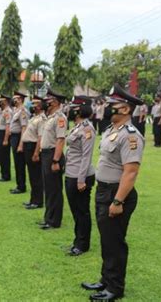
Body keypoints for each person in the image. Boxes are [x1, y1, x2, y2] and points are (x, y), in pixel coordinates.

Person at [82, 83, 144, 301]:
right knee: (107, 240)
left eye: (112, 105)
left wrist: (118, 202)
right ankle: (105, 280)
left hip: (117, 194)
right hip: (103, 191)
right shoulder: (111, 130)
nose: (106, 108)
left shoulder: (131, 136)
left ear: (126, 109)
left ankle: (115, 288)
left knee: (115, 242)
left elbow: (130, 173)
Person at [65, 96, 96, 256]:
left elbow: (86, 156)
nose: (69, 110)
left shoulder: (87, 129)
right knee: (75, 211)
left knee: (82, 211)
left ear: (79, 109)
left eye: (73, 107)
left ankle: (82, 244)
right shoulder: (77, 127)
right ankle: (77, 240)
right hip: (71, 173)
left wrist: (81, 179)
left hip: (80, 176)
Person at [38, 88, 67, 230]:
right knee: (48, 188)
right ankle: (48, 217)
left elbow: (60, 140)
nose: (46, 102)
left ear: (55, 102)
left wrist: (56, 161)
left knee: (54, 189)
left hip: (53, 155)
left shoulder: (60, 118)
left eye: (48, 100)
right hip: (46, 154)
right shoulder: (50, 117)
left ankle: (54, 221)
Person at [21, 95, 46, 209]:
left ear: (40, 106)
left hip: (33, 147)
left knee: (36, 176)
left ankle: (38, 201)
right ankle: (33, 199)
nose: (32, 106)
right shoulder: (34, 117)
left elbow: (40, 137)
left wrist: (36, 153)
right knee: (31, 175)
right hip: (28, 146)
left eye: (35, 104)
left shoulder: (41, 119)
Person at [9, 91, 30, 194]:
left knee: (20, 163)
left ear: (21, 99)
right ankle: (19, 184)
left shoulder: (23, 111)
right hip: (14, 137)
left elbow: (24, 128)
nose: (14, 100)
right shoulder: (16, 110)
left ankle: (21, 186)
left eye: (16, 98)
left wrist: (21, 144)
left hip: (19, 138)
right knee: (17, 163)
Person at [0, 94, 13, 182]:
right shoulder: (4, 111)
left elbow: (8, 126)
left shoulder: (8, 111)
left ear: (5, 101)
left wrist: (6, 139)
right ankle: (3, 174)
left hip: (4, 134)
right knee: (1, 155)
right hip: (1, 133)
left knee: (5, 156)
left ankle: (6, 175)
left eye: (1, 100)